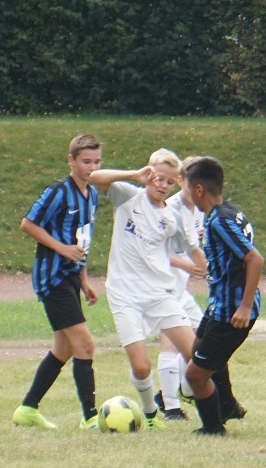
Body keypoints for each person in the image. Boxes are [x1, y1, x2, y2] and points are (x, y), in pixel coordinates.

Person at [88, 148, 205, 430]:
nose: (162, 185)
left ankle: (194, 398)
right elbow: (94, 177)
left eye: (169, 181)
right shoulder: (128, 196)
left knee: (196, 356)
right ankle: (151, 413)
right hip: (124, 294)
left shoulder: (172, 218)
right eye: (157, 178)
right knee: (141, 367)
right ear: (148, 173)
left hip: (160, 295)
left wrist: (209, 267)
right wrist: (134, 175)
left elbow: (193, 251)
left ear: (175, 183)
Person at [12, 133, 103, 430]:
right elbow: (28, 224)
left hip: (71, 278)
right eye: (86, 161)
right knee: (85, 345)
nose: (92, 168)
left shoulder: (93, 195)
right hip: (52, 278)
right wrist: (61, 248)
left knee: (64, 348)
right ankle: (90, 417)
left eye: (97, 162)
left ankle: (27, 409)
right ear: (71, 160)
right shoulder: (58, 191)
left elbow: (82, 241)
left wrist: (84, 280)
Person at [182, 156, 264, 435]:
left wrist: (245, 306)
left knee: (195, 375)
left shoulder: (220, 221)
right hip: (219, 305)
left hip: (232, 312)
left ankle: (213, 428)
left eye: (188, 187)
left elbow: (255, 260)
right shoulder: (227, 212)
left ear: (199, 190)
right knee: (197, 350)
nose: (186, 193)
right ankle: (226, 404)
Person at [152, 155, 209, 421]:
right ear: (180, 181)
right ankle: (171, 406)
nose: (196, 190)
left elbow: (193, 243)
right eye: (191, 184)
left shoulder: (198, 209)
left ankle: (178, 391)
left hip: (179, 289)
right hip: (161, 287)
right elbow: (154, 250)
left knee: (201, 339)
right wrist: (187, 264)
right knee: (171, 344)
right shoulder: (169, 209)